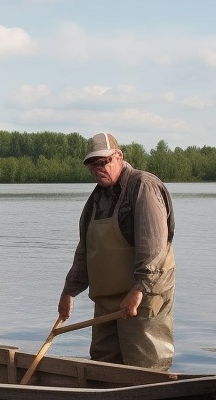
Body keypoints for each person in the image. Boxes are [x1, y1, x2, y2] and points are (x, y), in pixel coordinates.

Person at [57, 132, 176, 370]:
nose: (97, 170)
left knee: (144, 364)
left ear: (118, 156)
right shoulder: (96, 199)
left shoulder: (143, 186)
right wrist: (69, 291)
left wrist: (139, 289)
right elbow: (86, 248)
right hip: (107, 298)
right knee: (103, 363)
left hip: (143, 296)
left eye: (103, 162)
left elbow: (153, 246)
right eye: (92, 165)